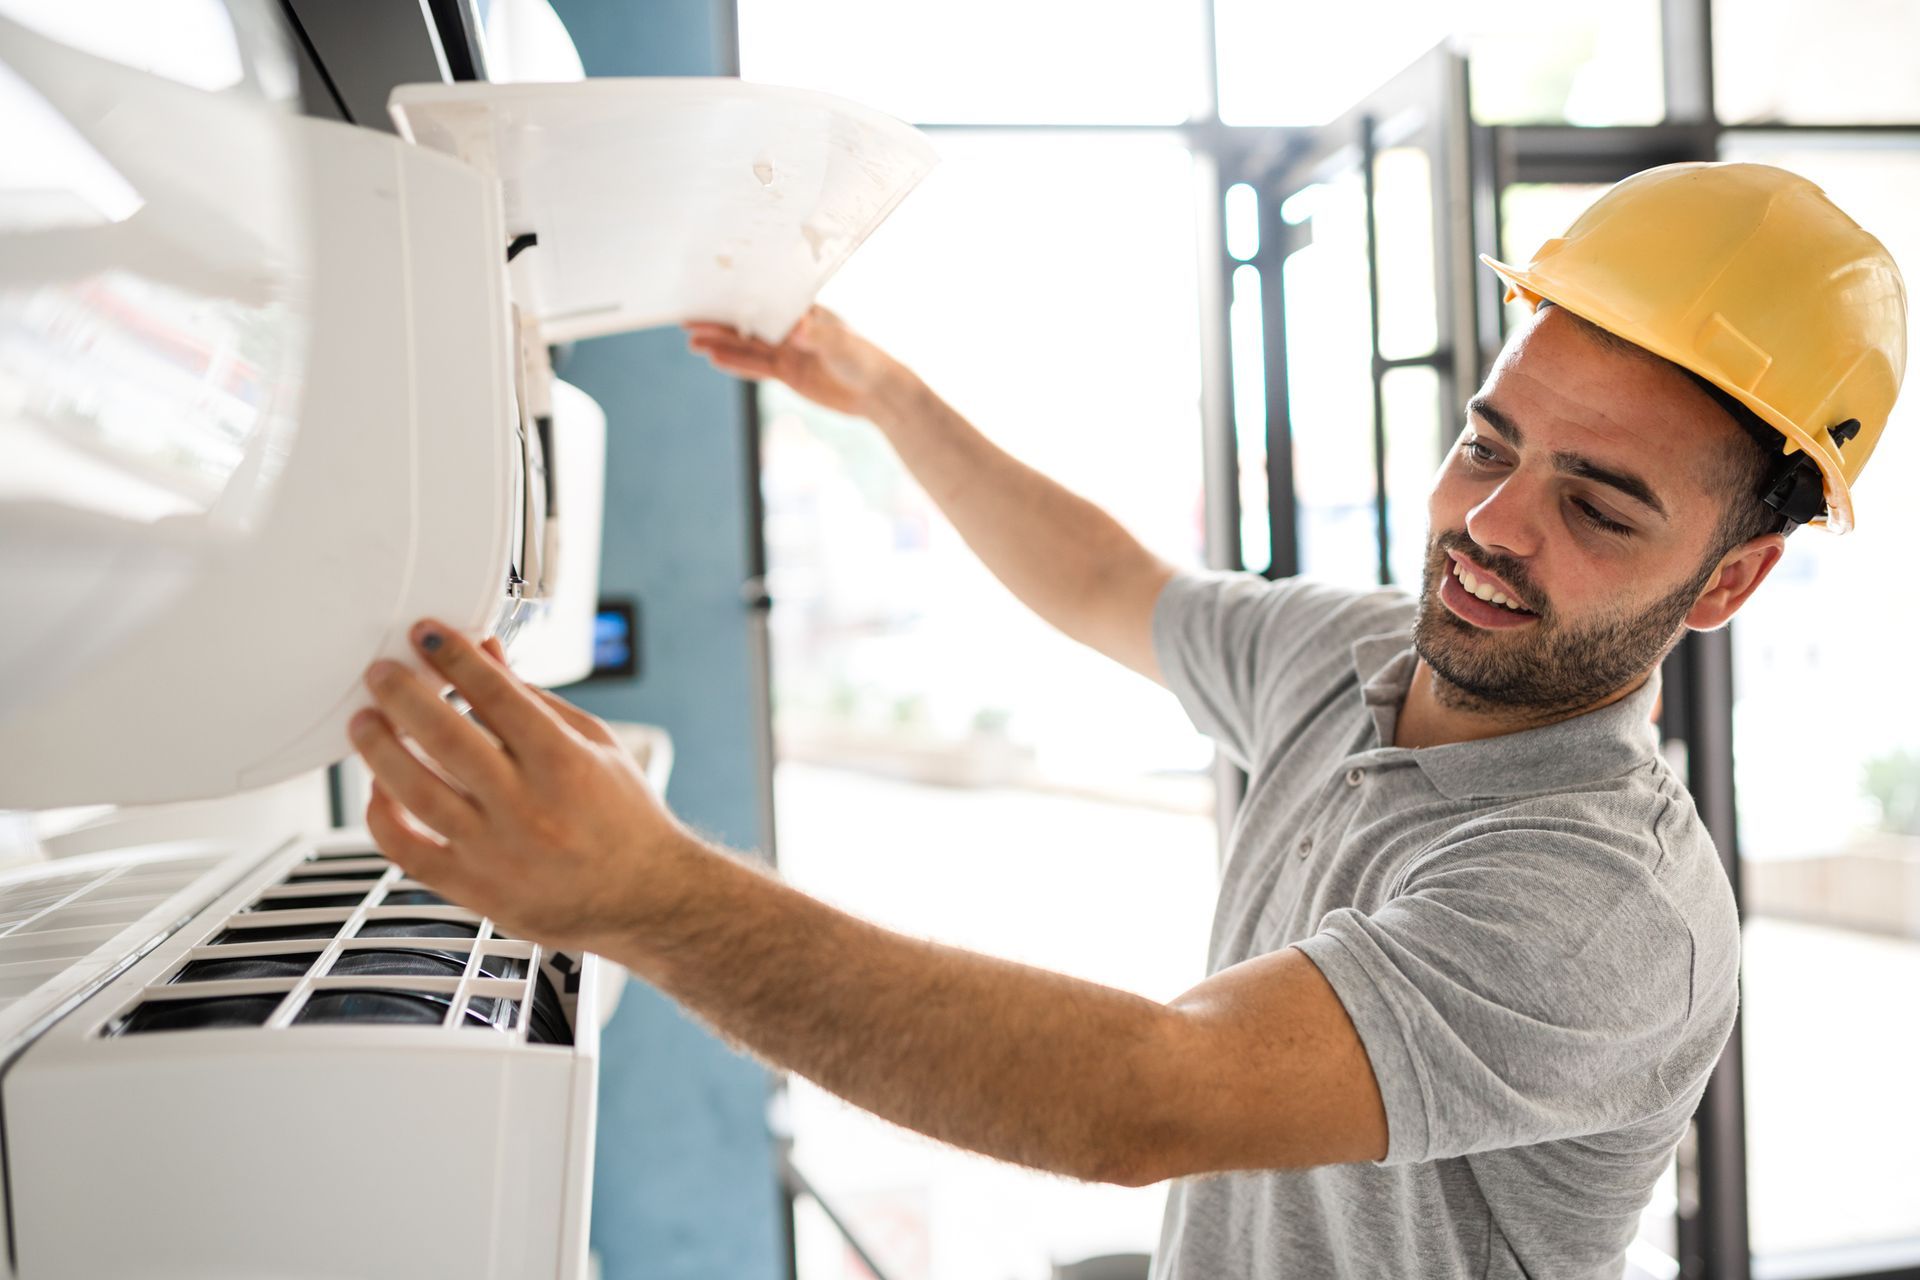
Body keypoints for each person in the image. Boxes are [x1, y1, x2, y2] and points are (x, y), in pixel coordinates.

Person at [346, 162, 1906, 1278]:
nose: (1491, 525)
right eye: (1487, 443)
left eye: (1600, 505)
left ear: (1728, 582)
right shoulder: (1355, 661)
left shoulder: (1599, 907)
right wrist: (879, 389)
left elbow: (1141, 1096)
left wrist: (648, 898)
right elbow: (1108, 582)